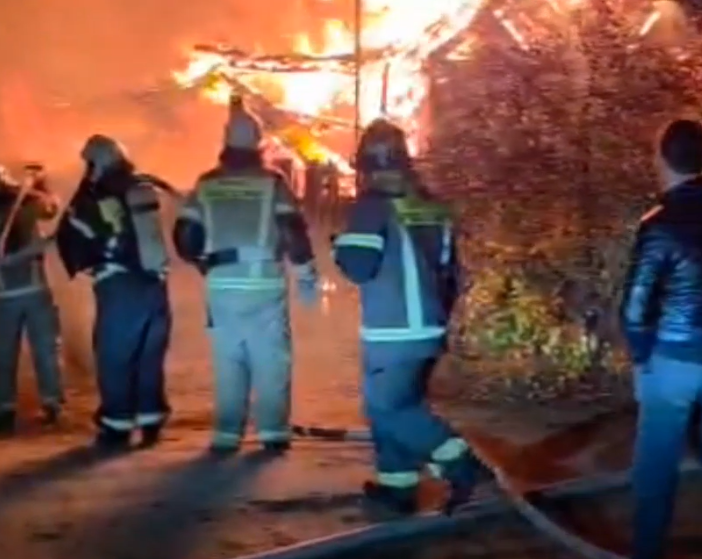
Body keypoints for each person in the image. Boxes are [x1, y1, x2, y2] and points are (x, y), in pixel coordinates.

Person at [332, 118, 486, 515]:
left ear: (365, 165)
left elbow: (358, 266)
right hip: (430, 325)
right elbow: (452, 270)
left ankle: (460, 462)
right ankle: (397, 486)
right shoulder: (431, 205)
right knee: (394, 404)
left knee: (388, 408)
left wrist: (341, 245)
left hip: (392, 330)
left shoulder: (370, 207)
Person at [602, 119, 702, 559]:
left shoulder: (659, 223)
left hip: (673, 360)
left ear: (662, 159)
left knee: (655, 468)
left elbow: (636, 308)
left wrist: (640, 361)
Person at [173, 98, 319, 452]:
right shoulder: (272, 182)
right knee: (271, 357)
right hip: (264, 281)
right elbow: (293, 231)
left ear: (225, 139)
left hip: (221, 283)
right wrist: (305, 274)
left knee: (228, 359)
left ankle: (226, 434)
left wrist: (205, 264)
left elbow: (184, 236)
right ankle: (272, 431)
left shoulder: (206, 183)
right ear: (258, 141)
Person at [55, 135, 172, 450]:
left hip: (120, 286)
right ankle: (151, 420)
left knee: (115, 356)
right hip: (156, 283)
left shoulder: (95, 197)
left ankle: (117, 425)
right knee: (149, 356)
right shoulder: (142, 187)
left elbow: (70, 232)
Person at [0, 160, 64, 432]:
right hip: (34, 290)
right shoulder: (25, 202)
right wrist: (42, 184)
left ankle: (3, 409)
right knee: (45, 350)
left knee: (2, 355)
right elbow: (51, 208)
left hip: (2, 296)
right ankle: (52, 404)